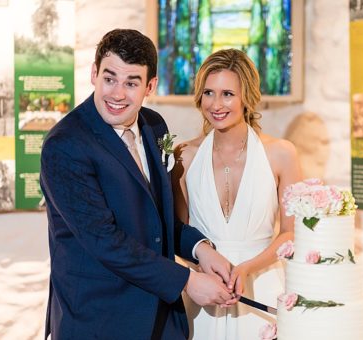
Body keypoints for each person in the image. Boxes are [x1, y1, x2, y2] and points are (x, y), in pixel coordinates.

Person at [40, 29, 235, 339]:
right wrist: (187, 281)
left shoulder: (154, 125)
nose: (117, 94)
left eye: (131, 83)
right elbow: (105, 241)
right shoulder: (65, 145)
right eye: (109, 78)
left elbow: (157, 218)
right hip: (97, 321)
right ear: (94, 73)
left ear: (150, 86)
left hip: (160, 318)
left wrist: (200, 249)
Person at [171, 48, 301, 338]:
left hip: (262, 289)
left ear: (247, 97)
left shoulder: (281, 154)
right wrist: (204, 275)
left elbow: (291, 233)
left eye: (228, 94)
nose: (216, 104)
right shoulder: (184, 157)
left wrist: (246, 269)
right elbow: (180, 233)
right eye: (208, 93)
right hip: (204, 295)